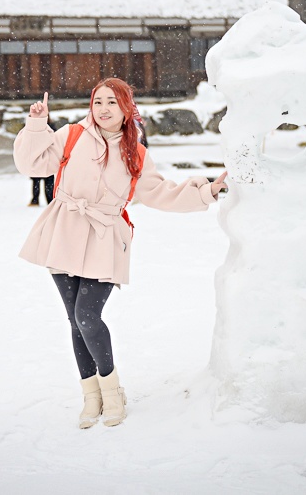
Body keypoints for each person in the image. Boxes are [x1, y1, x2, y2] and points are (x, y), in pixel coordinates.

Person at [13, 78, 227, 429]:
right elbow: (32, 165)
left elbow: (161, 193)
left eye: (112, 102)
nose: (103, 109)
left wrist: (205, 191)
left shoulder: (136, 152)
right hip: (64, 230)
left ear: (127, 108)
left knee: (87, 316)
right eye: (98, 102)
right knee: (74, 320)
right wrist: (37, 125)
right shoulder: (71, 135)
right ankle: (91, 396)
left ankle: (112, 392)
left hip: (104, 237)